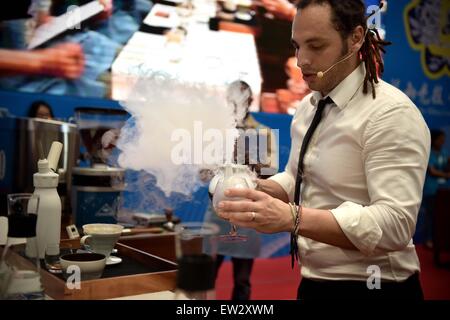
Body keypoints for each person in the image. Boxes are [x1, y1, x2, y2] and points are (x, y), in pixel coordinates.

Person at [216, 0, 430, 300]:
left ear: (356, 38)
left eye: (315, 46)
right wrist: (257, 188)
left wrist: (292, 218)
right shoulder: (308, 106)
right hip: (314, 282)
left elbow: (395, 225)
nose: (301, 60)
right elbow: (297, 179)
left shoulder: (390, 114)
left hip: (376, 286)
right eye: (297, 46)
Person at [203, 80, 278, 300]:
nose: (235, 105)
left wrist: (251, 160)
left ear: (251, 101)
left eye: (241, 100)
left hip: (247, 214)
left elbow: (270, 175)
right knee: (206, 275)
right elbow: (203, 175)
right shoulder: (215, 133)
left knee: (242, 280)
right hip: (217, 213)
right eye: (231, 100)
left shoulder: (263, 133)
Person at [419, 129, 450, 249]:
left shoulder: (445, 152)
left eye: (444, 139)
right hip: (431, 191)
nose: (443, 141)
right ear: (434, 140)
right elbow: (432, 171)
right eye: (440, 139)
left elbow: (447, 167)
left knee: (443, 217)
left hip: (445, 190)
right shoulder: (428, 153)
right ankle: (428, 240)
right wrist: (446, 175)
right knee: (430, 216)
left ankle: (441, 240)